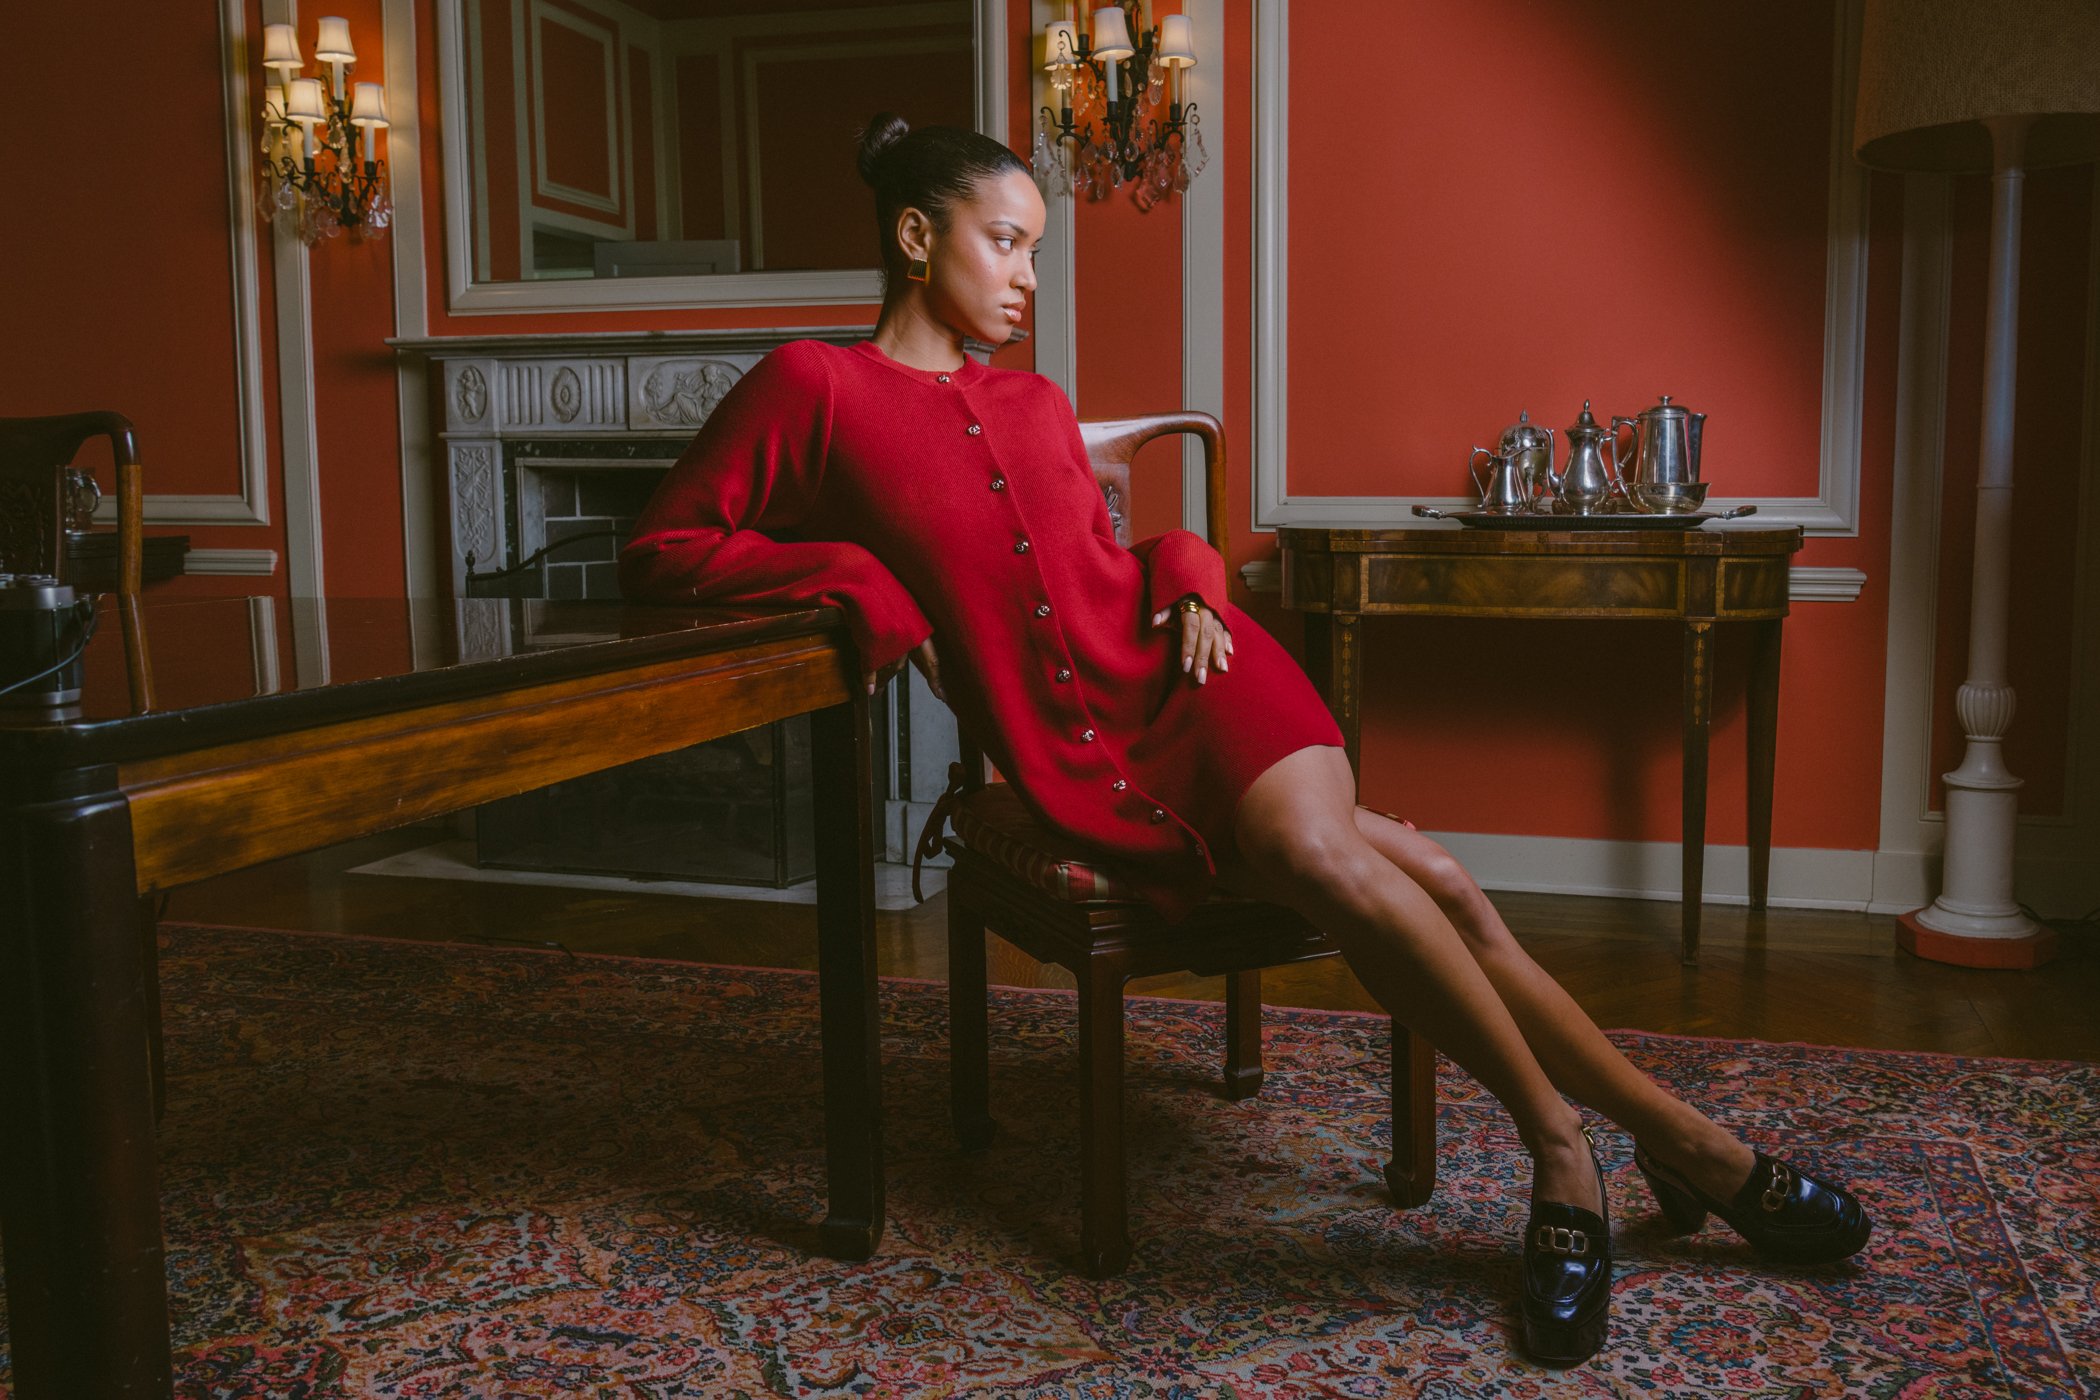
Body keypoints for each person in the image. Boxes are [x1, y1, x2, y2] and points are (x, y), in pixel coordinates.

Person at [618, 113, 1872, 1366]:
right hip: (1087, 763)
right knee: (1436, 880)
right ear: (913, 235)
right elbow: (665, 547)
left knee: (1324, 860)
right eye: (1005, 243)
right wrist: (868, 586)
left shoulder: (1038, 402)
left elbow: (1128, 556)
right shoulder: (812, 388)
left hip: (1209, 685)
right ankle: (1687, 1143)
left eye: (1035, 251)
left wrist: (1201, 581)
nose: (1026, 278)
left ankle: (1562, 1154)